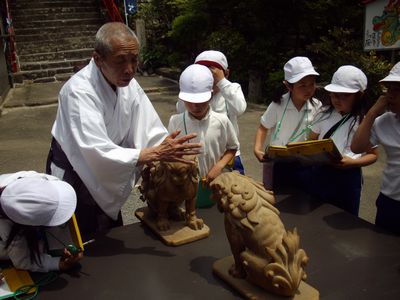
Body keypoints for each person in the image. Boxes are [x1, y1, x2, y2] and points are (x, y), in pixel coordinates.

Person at [46, 22, 201, 239]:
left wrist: (170, 150)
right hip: (79, 172)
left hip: (109, 167)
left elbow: (148, 127)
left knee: (109, 232)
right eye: (120, 60)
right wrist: (152, 154)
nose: (129, 69)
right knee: (85, 242)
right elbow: (94, 149)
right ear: (98, 59)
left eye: (134, 59)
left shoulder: (128, 84)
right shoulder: (78, 91)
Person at [309, 65, 378, 216]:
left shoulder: (364, 121)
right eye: (334, 95)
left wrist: (353, 162)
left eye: (344, 96)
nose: (337, 100)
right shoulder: (322, 114)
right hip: (321, 173)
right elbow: (311, 141)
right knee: (315, 216)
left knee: (345, 217)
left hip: (349, 177)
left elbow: (373, 154)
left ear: (359, 96)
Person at [253, 56, 322, 190]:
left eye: (312, 84)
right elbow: (263, 127)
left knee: (302, 199)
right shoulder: (278, 104)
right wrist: (257, 149)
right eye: (302, 85)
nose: (308, 89)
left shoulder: (317, 106)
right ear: (288, 85)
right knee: (276, 197)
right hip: (279, 161)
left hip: (305, 162)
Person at [168, 64, 239, 191]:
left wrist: (219, 166)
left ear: (211, 95)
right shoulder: (175, 121)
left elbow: (232, 148)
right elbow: (170, 153)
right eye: (190, 101)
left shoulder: (222, 120)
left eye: (201, 101)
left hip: (217, 183)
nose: (196, 106)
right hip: (186, 185)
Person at [176, 50, 247, 174]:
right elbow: (181, 110)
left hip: (228, 155)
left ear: (226, 73)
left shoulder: (232, 89)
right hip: (198, 156)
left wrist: (222, 81)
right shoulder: (191, 97)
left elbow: (239, 108)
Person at [0, 171, 82, 272]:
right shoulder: (6, 227)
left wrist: (65, 244)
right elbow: (23, 261)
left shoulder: (33, 179)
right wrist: (61, 264)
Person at [351, 62, 400, 232]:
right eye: (388, 89)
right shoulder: (384, 122)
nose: (390, 95)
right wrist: (372, 113)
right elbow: (357, 147)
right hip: (390, 201)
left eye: (396, 89)